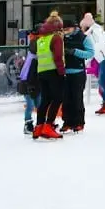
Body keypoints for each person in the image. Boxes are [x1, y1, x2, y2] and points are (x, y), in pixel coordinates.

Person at [33, 12, 67, 141]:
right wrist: (62, 72)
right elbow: (58, 56)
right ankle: (48, 126)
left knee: (45, 99)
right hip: (54, 72)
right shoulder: (56, 38)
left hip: (42, 72)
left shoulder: (41, 39)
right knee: (58, 98)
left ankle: (38, 127)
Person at [79, 13, 105, 115]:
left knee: (102, 81)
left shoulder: (95, 32)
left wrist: (85, 60)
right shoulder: (93, 32)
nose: (81, 29)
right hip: (104, 58)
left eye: (82, 27)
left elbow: (97, 47)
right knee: (102, 82)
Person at [60, 18, 93, 133]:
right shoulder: (61, 38)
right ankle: (67, 122)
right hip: (65, 73)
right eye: (63, 29)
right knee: (66, 99)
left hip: (78, 72)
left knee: (77, 98)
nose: (65, 31)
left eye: (67, 29)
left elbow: (90, 53)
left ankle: (79, 122)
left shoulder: (83, 38)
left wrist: (75, 52)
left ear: (74, 27)